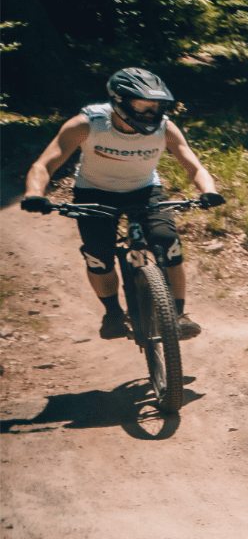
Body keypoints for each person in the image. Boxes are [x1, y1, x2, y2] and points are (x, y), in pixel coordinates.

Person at [19, 68, 224, 340]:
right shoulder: (87, 124)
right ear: (119, 101)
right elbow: (44, 164)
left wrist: (208, 191)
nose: (151, 113)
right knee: (98, 256)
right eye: (143, 105)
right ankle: (113, 314)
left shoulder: (164, 129)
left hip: (145, 189)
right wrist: (34, 193)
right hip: (94, 192)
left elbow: (193, 165)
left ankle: (178, 314)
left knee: (168, 243)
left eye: (158, 106)